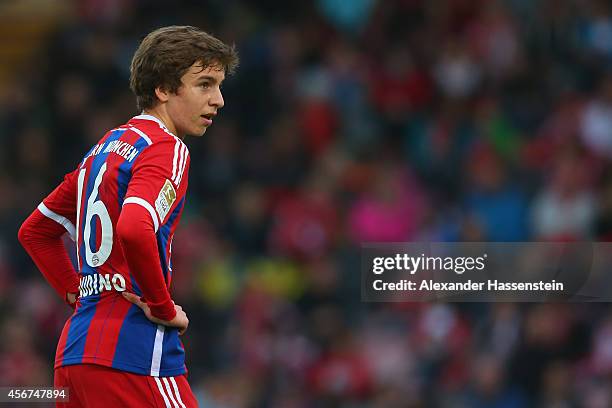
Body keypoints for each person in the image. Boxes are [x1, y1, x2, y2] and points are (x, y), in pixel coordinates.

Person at [18, 26, 238, 407]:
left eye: (218, 85)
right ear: (164, 89)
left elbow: (35, 231)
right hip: (134, 357)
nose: (217, 100)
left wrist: (82, 296)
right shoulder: (166, 148)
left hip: (74, 359)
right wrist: (162, 306)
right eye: (204, 84)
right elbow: (135, 227)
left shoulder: (102, 151)